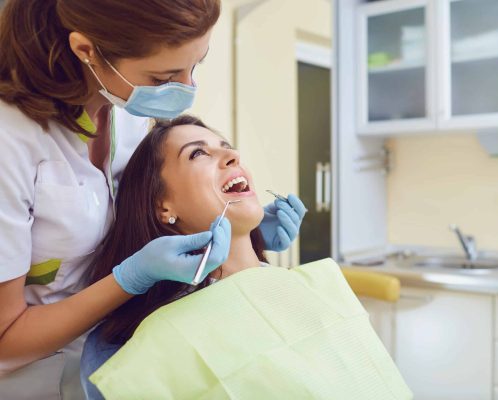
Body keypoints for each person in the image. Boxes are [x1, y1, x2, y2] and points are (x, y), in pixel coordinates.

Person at [0, 1, 305, 398]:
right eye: (164, 77)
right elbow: (4, 335)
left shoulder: (128, 110)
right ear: (86, 50)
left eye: (196, 65)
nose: (188, 90)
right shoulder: (10, 142)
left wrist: (248, 235)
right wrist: (130, 278)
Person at [80, 116, 410, 400]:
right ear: (163, 207)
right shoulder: (129, 345)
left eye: (227, 146)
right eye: (198, 153)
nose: (232, 155)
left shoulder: (315, 289)